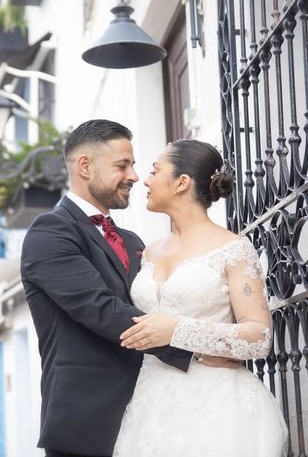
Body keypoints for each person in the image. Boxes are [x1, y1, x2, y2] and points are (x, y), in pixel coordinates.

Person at [20, 120, 237, 457]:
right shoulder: (49, 233)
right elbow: (99, 309)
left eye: (135, 165)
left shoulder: (134, 242)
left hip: (153, 413)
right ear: (85, 166)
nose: (135, 176)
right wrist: (195, 349)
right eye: (123, 165)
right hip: (88, 419)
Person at [112, 139, 288, 456]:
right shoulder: (149, 251)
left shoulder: (233, 250)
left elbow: (259, 337)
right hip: (151, 406)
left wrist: (177, 330)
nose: (145, 180)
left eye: (154, 171)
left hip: (217, 406)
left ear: (182, 182)